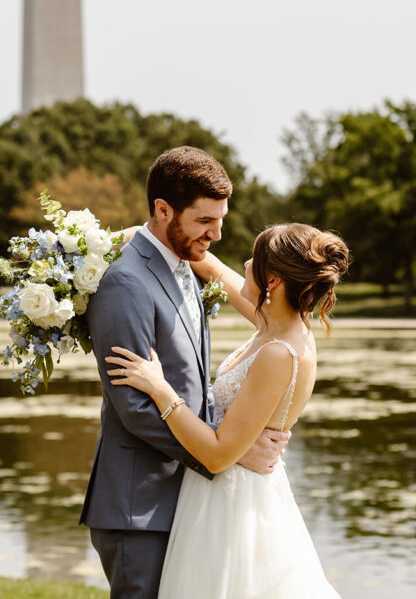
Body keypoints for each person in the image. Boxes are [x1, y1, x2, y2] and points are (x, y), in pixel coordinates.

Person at [80, 146, 289, 599]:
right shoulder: (125, 282)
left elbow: (194, 384)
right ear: (162, 209)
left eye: (221, 220)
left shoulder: (186, 268)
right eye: (204, 221)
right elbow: (134, 407)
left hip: (185, 500)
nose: (216, 234)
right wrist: (223, 455)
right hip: (138, 508)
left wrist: (228, 442)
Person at [108, 222, 348, 598]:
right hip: (222, 494)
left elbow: (219, 455)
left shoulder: (278, 352)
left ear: (273, 281)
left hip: (233, 506)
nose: (245, 264)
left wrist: (161, 389)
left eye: (255, 259)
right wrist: (134, 234)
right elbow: (213, 268)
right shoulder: (276, 325)